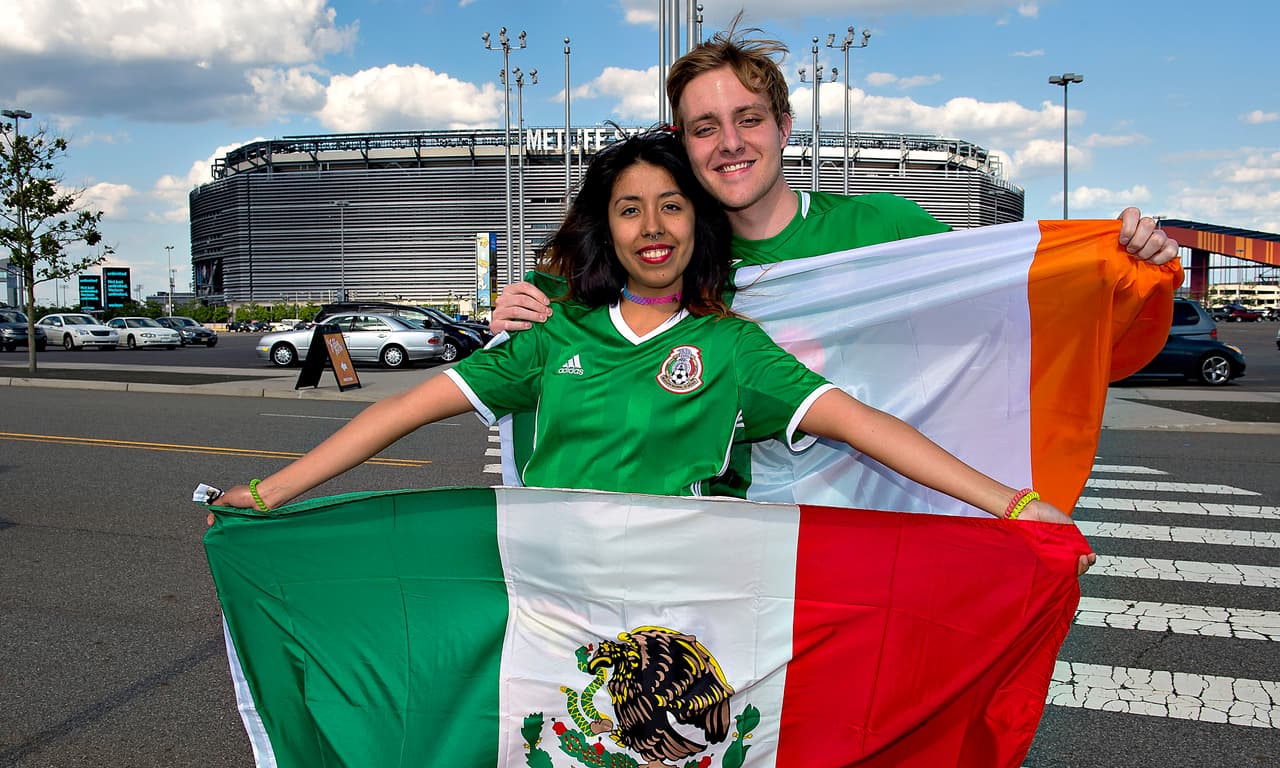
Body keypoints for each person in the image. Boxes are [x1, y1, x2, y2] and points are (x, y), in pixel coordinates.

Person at [209, 131, 1092, 572]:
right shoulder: (551, 338)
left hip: (689, 621)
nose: (653, 226)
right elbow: (404, 408)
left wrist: (1015, 504)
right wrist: (272, 490)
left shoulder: (735, 349)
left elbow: (865, 425)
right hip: (553, 609)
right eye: (629, 209)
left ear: (698, 224)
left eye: (672, 205)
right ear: (608, 229)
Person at [492, 21, 1178, 337]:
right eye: (705, 127)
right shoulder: (664, 257)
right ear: (684, 142)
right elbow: (566, 324)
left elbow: (1025, 312)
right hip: (731, 542)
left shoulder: (885, 227)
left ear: (784, 128)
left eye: (749, 119)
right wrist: (514, 312)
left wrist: (1122, 265)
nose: (730, 144)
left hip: (871, 530)